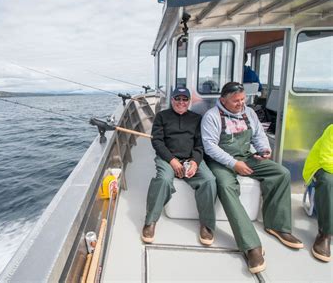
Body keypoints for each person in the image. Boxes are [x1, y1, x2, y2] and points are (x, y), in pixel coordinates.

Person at [201, 82, 303, 274]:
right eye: (236, 101)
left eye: (243, 99)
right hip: (221, 161)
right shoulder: (211, 117)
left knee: (281, 173)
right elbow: (210, 147)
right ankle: (251, 245)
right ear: (223, 100)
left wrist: (264, 149)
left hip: (247, 156)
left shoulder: (249, 112)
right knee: (226, 186)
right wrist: (234, 164)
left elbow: (258, 135)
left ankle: (277, 225)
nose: (241, 104)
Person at [142, 87, 217, 246]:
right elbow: (157, 141)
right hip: (167, 158)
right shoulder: (162, 117)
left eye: (184, 99)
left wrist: (195, 162)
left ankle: (207, 224)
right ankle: (150, 221)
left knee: (209, 180)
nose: (181, 102)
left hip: (191, 158)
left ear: (189, 101)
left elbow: (200, 145)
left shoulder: (197, 118)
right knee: (163, 180)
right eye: (178, 99)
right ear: (172, 100)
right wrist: (172, 161)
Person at [303, 124, 333, 262]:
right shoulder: (331, 130)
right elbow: (326, 161)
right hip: (321, 169)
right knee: (328, 181)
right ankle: (325, 234)